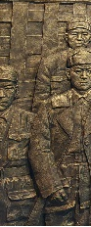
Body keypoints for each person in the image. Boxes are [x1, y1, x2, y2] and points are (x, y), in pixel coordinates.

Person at [30, 50, 91, 226]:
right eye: (79, 70)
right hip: (63, 189)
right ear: (68, 73)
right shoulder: (52, 106)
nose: (84, 76)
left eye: (89, 70)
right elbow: (38, 148)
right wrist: (51, 186)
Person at [33, 20, 91, 111]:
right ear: (67, 37)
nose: (79, 38)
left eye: (84, 34)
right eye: (74, 34)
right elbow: (40, 97)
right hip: (58, 114)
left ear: (90, 37)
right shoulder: (51, 61)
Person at [0, 66, 38, 226]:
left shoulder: (30, 120)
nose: (1, 95)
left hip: (20, 197)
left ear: (16, 91)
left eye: (7, 88)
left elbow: (42, 161)